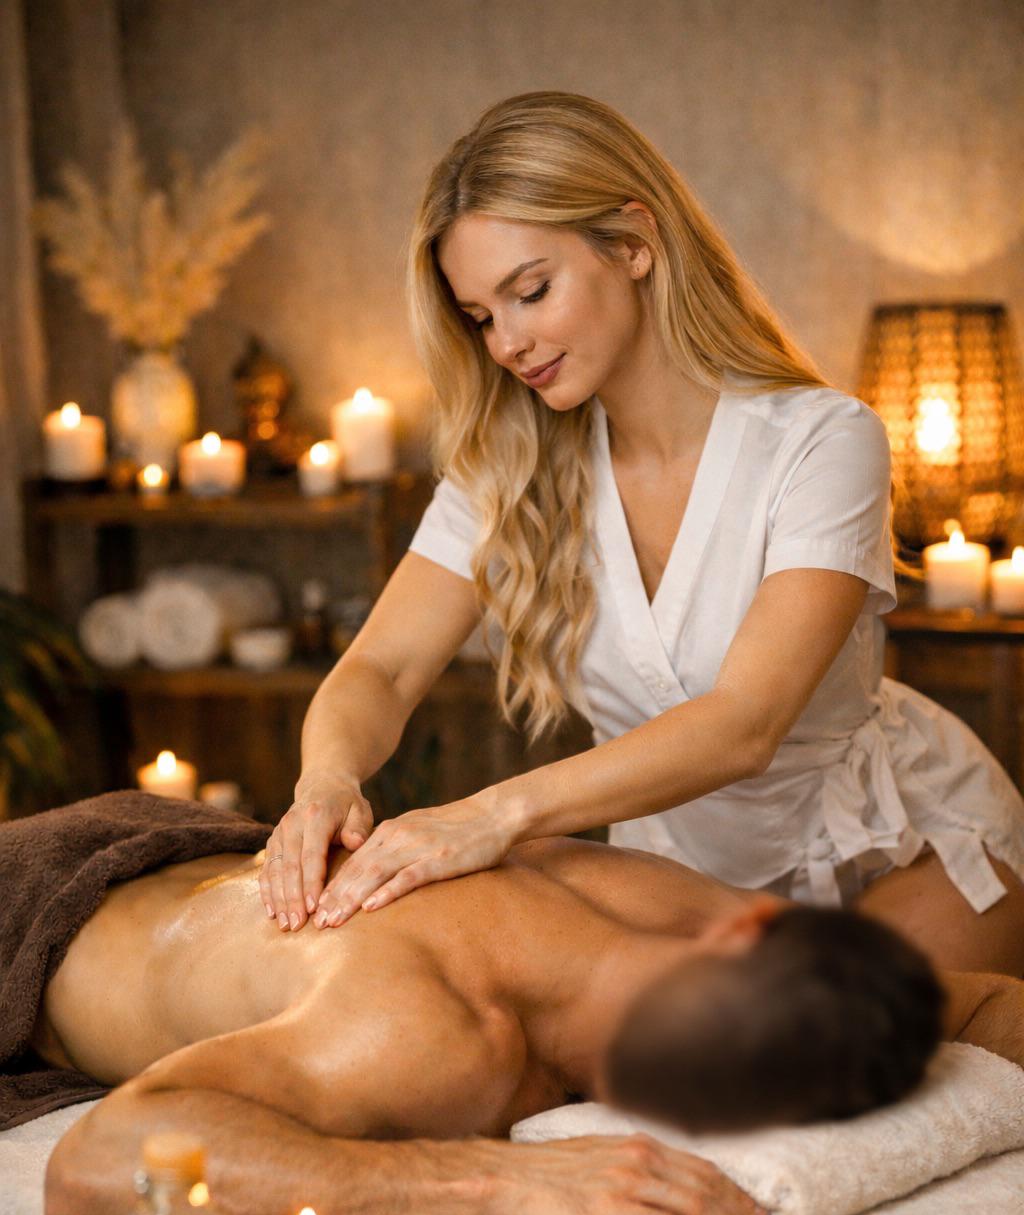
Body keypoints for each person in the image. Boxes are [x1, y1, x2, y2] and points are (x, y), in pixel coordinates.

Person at [260, 90, 1024, 976]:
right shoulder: (507, 463)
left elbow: (744, 724)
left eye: (530, 292)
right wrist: (327, 780)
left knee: (817, 1044)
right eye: (481, 318)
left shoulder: (823, 440)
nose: (506, 343)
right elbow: (383, 670)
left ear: (632, 243)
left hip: (902, 849)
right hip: (674, 881)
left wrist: (491, 816)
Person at [33, 795, 1018, 1215]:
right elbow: (93, 1170)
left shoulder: (677, 909)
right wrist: (501, 1179)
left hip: (178, 847)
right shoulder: (426, 1036)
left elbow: (970, 1002)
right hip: (40, 910)